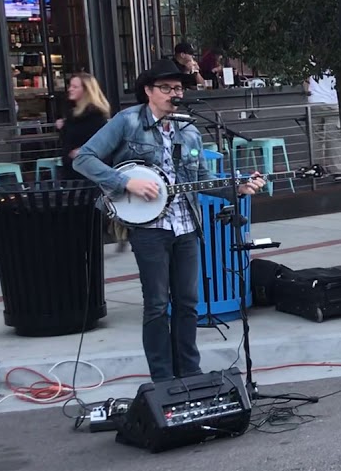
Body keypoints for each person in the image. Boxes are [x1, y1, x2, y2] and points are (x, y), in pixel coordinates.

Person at [73, 59, 265, 382]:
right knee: (158, 305)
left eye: (177, 88)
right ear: (148, 91)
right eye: (166, 88)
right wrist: (125, 183)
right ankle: (163, 379)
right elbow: (84, 159)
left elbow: (203, 179)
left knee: (188, 303)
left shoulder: (188, 129)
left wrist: (239, 187)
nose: (173, 93)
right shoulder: (127, 122)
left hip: (186, 226)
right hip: (149, 230)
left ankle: (189, 372)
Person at [54, 73, 110, 182]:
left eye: (75, 87)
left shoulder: (95, 115)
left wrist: (84, 150)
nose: (70, 89)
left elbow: (103, 142)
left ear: (86, 90)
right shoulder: (72, 113)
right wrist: (63, 126)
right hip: (72, 169)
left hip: (88, 173)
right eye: (70, 86)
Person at [306, 70, 341, 175]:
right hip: (332, 102)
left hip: (313, 103)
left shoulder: (311, 60)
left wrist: (309, 94)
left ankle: (316, 168)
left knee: (316, 138)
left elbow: (306, 81)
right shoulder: (336, 60)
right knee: (334, 137)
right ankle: (337, 171)